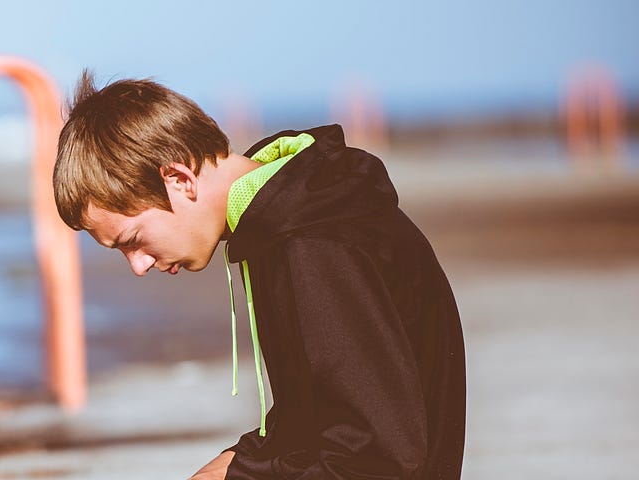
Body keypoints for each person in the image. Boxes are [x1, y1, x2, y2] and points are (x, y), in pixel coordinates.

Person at [51, 72, 465, 479]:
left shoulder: (316, 244)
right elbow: (317, 417)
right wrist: (234, 465)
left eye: (132, 239)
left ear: (179, 179)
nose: (138, 266)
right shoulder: (285, 220)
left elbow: (379, 455)